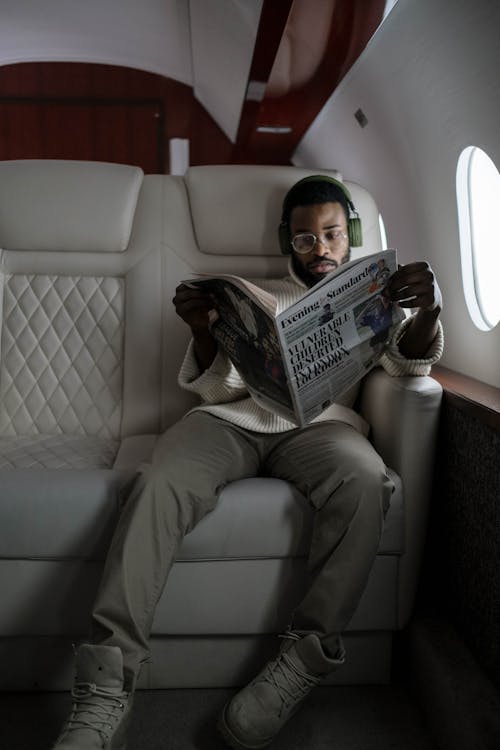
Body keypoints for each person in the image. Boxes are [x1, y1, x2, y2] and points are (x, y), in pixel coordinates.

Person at [50, 175, 443, 750]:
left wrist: (429, 308)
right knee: (159, 481)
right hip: (232, 423)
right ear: (289, 242)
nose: (321, 249)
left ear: (351, 236)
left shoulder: (375, 301)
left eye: (332, 234)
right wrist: (202, 332)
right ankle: (110, 682)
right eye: (306, 240)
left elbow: (412, 367)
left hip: (322, 430)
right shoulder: (256, 297)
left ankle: (302, 660)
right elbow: (214, 391)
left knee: (364, 479)